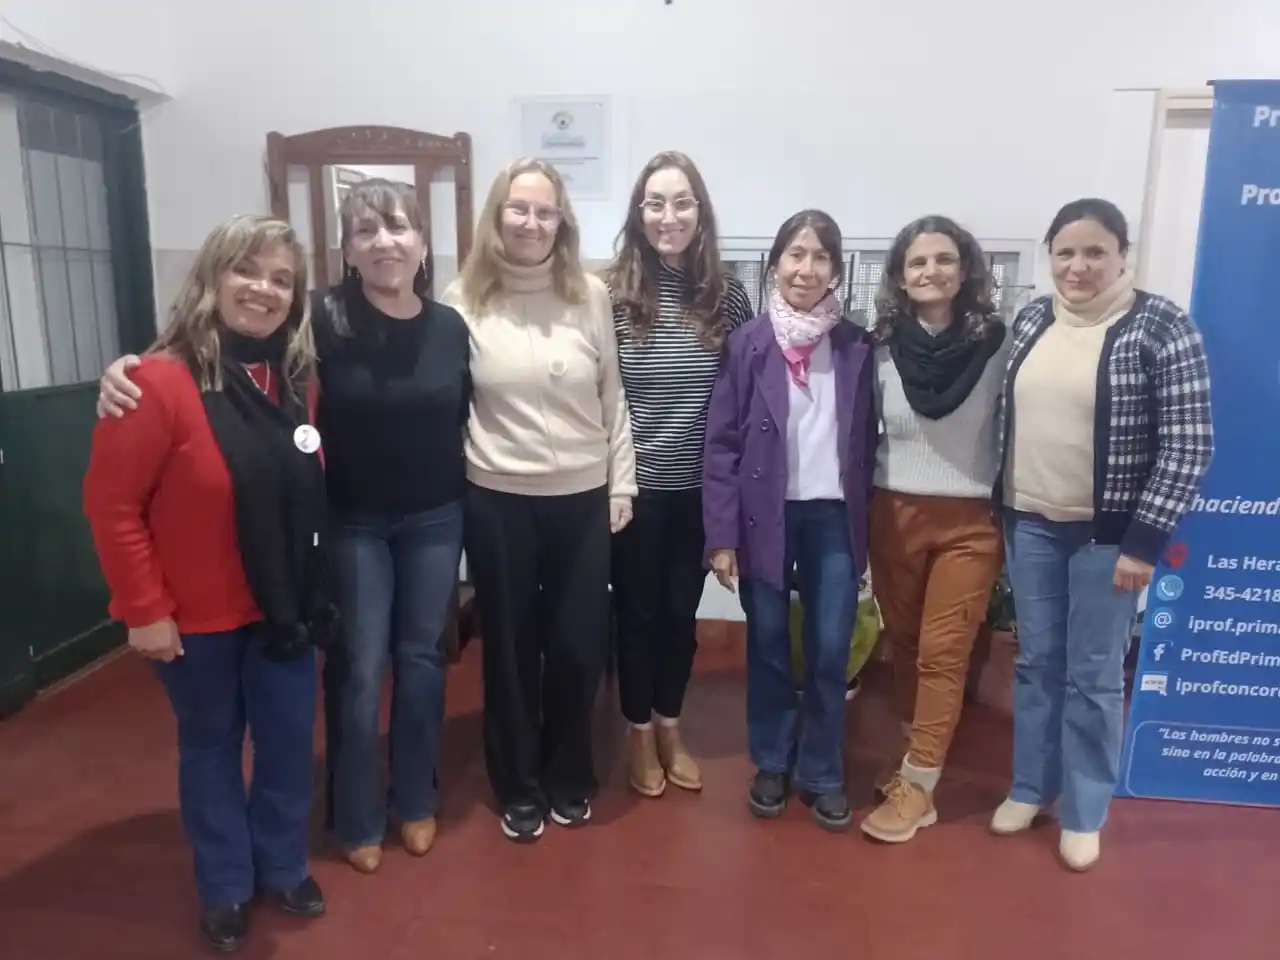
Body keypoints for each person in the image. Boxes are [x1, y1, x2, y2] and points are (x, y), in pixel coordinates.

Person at [95, 181, 471, 877]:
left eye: (398, 227)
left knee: (422, 662)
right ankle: (356, 816)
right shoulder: (318, 319)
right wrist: (122, 370)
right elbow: (207, 349)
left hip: (435, 518)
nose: (384, 241)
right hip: (351, 522)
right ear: (348, 249)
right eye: (365, 231)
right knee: (359, 671)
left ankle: (415, 798)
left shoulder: (451, 327)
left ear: (423, 241)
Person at [83, 215, 332, 953]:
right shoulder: (156, 382)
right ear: (213, 278)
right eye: (247, 271)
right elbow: (112, 504)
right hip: (196, 619)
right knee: (211, 748)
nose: (263, 289)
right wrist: (144, 610)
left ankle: (283, 866)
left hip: (284, 607)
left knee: (288, 746)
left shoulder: (295, 381)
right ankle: (225, 884)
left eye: (281, 279)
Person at [992, 198, 1213, 871]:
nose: (1079, 266)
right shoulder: (1032, 318)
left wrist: (1144, 541)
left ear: (1123, 255)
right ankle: (1032, 785)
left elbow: (1188, 444)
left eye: (1094, 252)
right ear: (1050, 256)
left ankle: (1085, 809)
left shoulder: (1161, 326)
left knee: (1091, 674)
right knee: (1035, 664)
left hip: (1108, 537)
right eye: (1066, 252)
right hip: (1031, 522)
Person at [441, 158, 637, 842]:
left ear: (563, 221)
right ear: (497, 218)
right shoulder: (461, 299)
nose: (531, 223)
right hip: (496, 497)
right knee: (512, 650)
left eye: (545, 211)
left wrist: (623, 481)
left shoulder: (589, 294)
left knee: (580, 645)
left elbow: (613, 395)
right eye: (518, 210)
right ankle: (518, 785)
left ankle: (569, 773)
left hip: (581, 498)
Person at [702, 209, 877, 831]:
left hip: (832, 518)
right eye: (796, 254)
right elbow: (721, 444)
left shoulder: (856, 345)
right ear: (776, 261)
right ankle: (772, 762)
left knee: (832, 648)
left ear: (836, 268)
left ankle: (823, 769)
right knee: (770, 645)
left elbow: (870, 443)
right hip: (762, 518)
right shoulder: (748, 343)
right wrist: (720, 537)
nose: (807, 268)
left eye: (821, 256)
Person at [604, 151, 755, 798]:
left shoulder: (728, 294)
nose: (670, 216)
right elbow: (598, 396)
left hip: (700, 494)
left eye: (682, 202)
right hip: (633, 493)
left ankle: (670, 724)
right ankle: (637, 732)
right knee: (634, 618)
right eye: (656, 203)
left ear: (701, 211)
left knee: (678, 619)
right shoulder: (611, 293)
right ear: (640, 215)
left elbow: (750, 399)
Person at [859, 216, 1008, 844]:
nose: (931, 272)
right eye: (918, 262)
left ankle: (919, 789)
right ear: (899, 274)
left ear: (966, 268)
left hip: (970, 522)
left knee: (946, 655)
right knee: (907, 647)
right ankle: (910, 760)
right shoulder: (880, 347)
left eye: (944, 259)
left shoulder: (999, 343)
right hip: (893, 513)